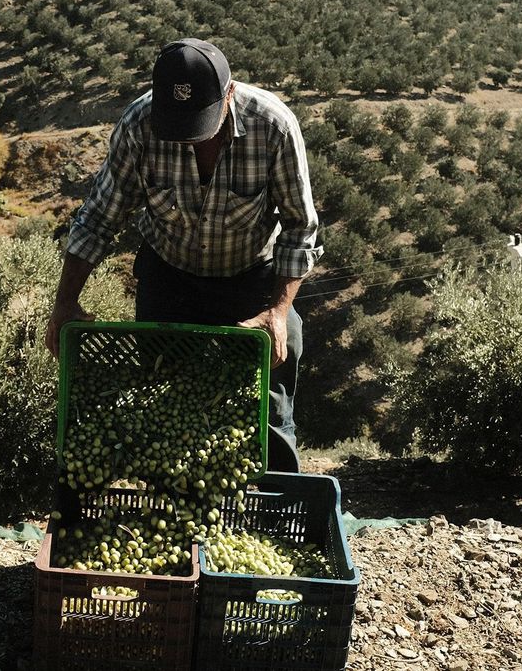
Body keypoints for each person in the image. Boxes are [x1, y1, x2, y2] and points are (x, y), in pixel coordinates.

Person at [44, 38, 321, 472]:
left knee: (274, 377)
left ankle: (272, 481)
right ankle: (176, 494)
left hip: (250, 275)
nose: (190, 140)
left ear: (229, 94)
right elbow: (99, 218)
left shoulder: (274, 127)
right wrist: (64, 301)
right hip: (169, 274)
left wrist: (279, 311)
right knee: (162, 393)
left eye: (200, 123)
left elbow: (300, 227)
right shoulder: (139, 125)